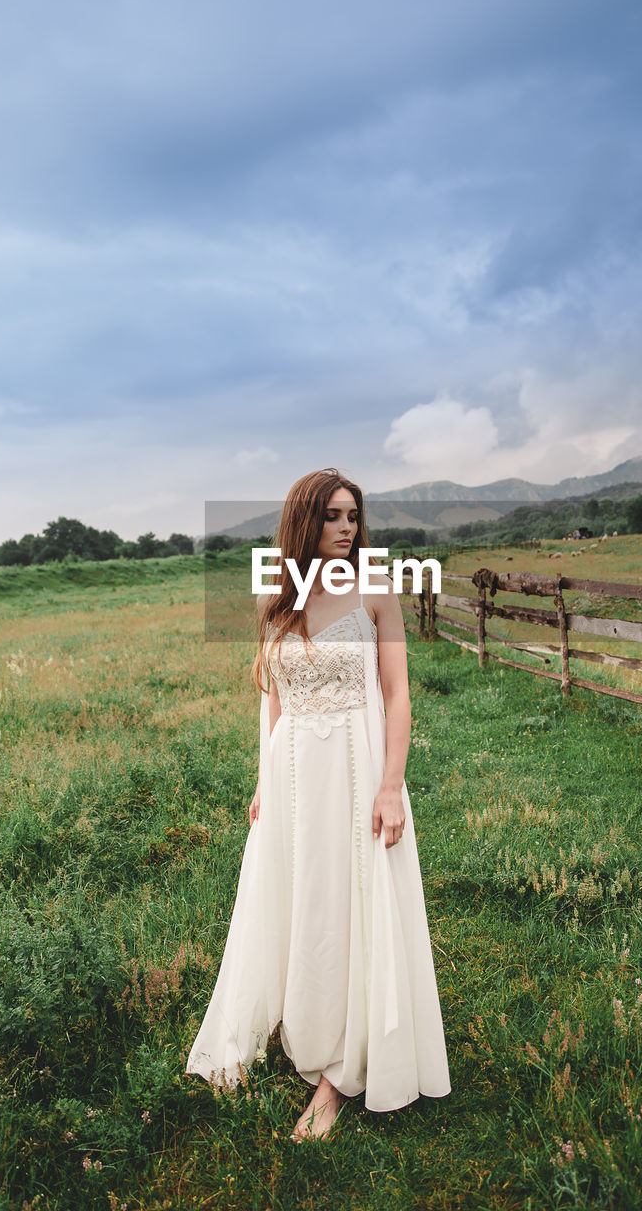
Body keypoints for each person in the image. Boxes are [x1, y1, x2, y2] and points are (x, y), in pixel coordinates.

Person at [185, 468, 450, 1139]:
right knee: (300, 903)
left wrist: (391, 786)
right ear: (304, 521)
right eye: (332, 516)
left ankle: (337, 1074)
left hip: (357, 771)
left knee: (352, 902)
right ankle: (299, 1021)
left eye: (352, 516)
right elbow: (269, 698)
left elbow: (398, 697)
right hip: (293, 774)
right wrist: (260, 782)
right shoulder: (276, 600)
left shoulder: (375, 594)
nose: (346, 528)